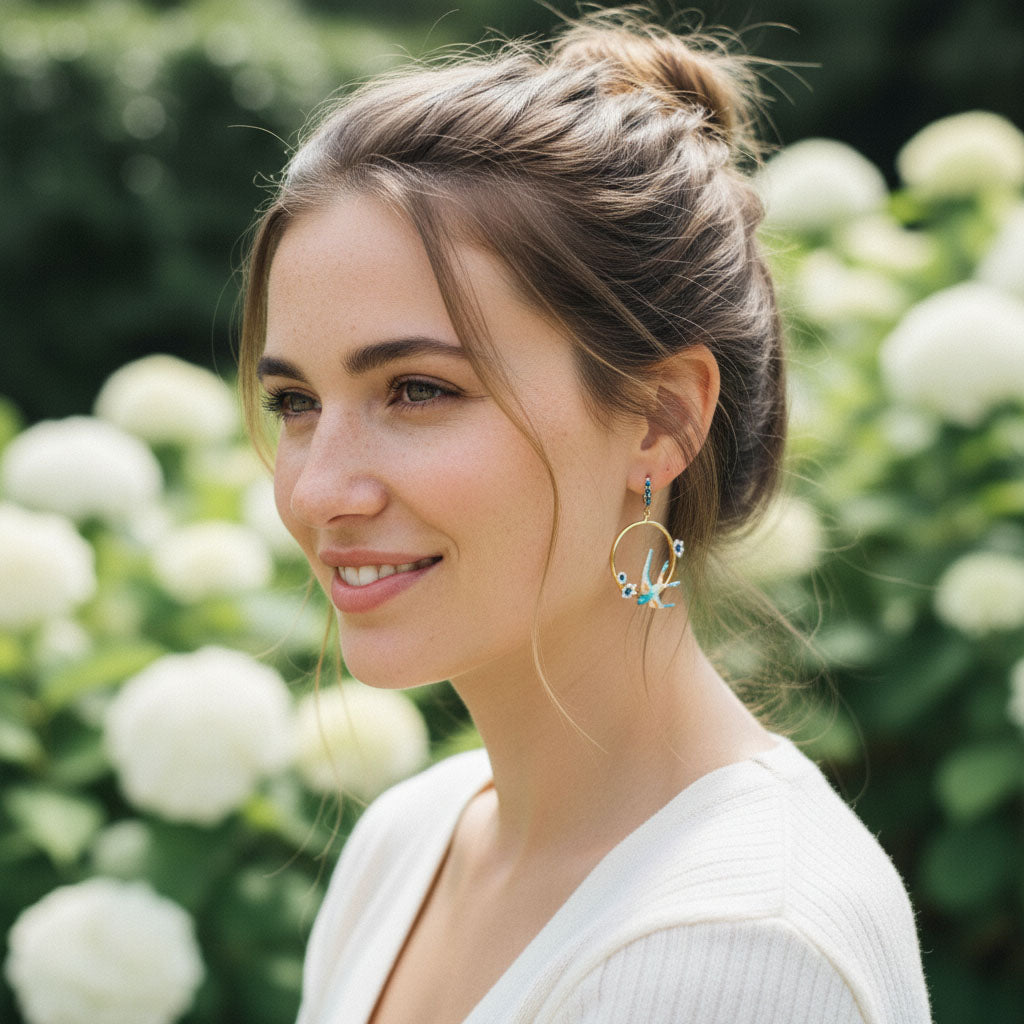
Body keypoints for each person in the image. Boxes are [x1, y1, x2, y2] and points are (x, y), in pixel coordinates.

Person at [238, 10, 931, 1023]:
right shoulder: (409, 845)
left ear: (659, 419)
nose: (318, 489)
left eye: (418, 390)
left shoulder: (734, 949)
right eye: (295, 403)